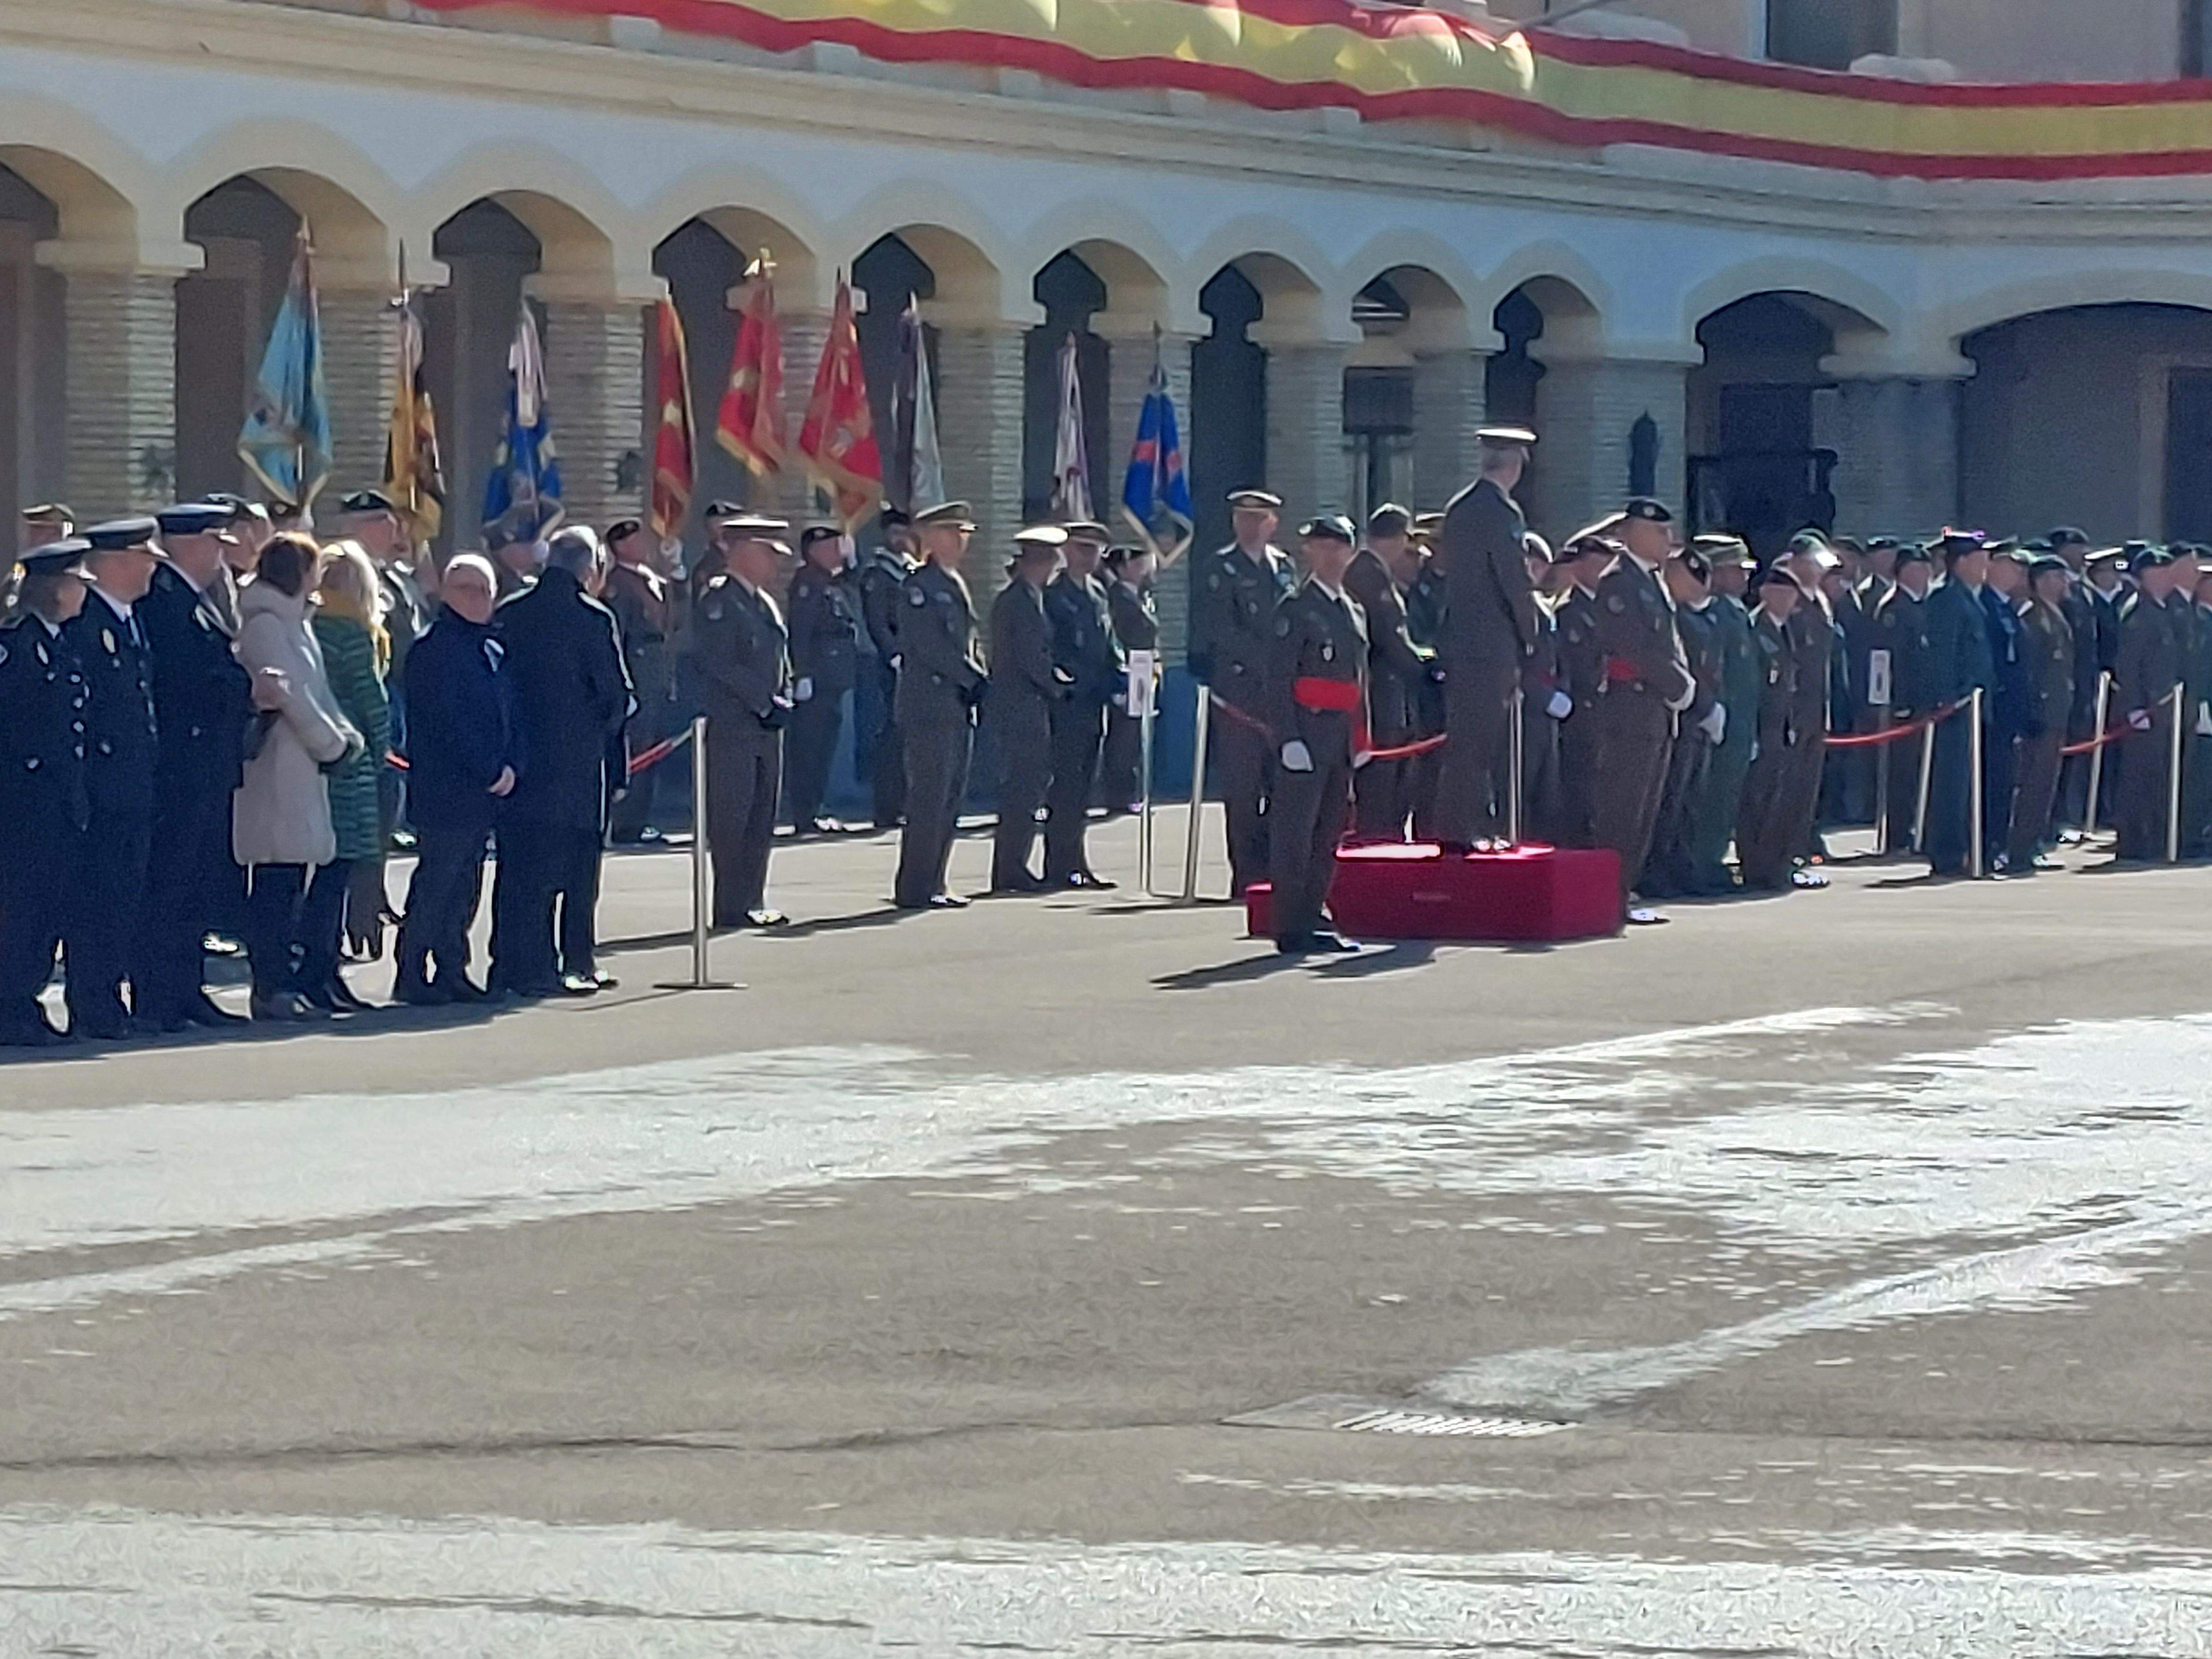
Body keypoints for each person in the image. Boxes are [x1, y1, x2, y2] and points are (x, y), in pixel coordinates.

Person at [130, 503, 257, 1033]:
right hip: (181, 768)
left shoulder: (194, 600)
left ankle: (187, 990)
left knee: (195, 887)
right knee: (169, 887)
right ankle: (160, 996)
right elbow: (186, 680)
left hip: (207, 768)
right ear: (187, 544)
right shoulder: (165, 601)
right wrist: (248, 687)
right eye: (212, 541)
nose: (220, 552)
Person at [493, 526, 634, 994]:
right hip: (576, 766)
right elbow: (615, 698)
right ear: (591, 568)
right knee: (577, 872)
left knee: (520, 872)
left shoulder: (510, 612)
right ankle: (576, 960)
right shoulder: (592, 617)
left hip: (520, 762)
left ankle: (514, 965)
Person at [233, 533, 364, 1022]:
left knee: (292, 880)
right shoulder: (266, 624)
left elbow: (320, 692)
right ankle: (270, 986)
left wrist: (344, 736)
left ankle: (286, 981)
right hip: (278, 771)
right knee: (274, 882)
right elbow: (291, 697)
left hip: (303, 771)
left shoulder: (297, 623)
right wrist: (329, 744)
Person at [394, 554, 515, 1004]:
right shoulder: (433, 650)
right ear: (446, 593)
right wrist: (488, 769)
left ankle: (452, 967)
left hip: (486, 788)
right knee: (436, 883)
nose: (479, 600)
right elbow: (447, 723)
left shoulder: (492, 648)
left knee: (466, 885)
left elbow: (510, 714)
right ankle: (411, 970)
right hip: (447, 787)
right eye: (467, 590)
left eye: (485, 591)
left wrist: (510, 766)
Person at [62, 518, 163, 1038]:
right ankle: (94, 1002)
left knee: (124, 899)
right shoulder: (89, 621)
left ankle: (107, 999)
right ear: (120, 561)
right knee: (99, 902)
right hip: (105, 790)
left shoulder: (127, 619)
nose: (152, 569)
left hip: (133, 785)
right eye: (146, 558)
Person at [0, 539, 92, 1045]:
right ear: (57, 588)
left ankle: (24, 997)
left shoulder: (59, 642)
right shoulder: (18, 644)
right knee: (22, 908)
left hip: (56, 801)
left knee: (46, 909)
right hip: (23, 803)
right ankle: (10, 1002)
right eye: (78, 583)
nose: (83, 594)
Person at [1431, 428, 1540, 852]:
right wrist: (1530, 633)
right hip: (1488, 642)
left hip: (1465, 638)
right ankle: (1460, 829)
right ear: (1514, 465)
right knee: (1477, 741)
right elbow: (1513, 578)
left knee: (1470, 740)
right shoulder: (1500, 512)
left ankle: (1465, 824)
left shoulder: (1461, 508)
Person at [1589, 499, 1696, 921]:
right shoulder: (1619, 582)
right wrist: (1677, 684)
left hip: (1653, 710)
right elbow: (1634, 645)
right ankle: (1608, 898)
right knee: (1622, 809)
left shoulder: (1650, 581)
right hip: (1630, 709)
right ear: (1631, 532)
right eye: (1658, 532)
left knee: (1645, 810)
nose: (1667, 541)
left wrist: (1681, 684)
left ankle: (1623, 893)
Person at [1266, 515, 1367, 955]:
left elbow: (1359, 680)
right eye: (1321, 546)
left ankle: (1314, 913)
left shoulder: (1353, 609)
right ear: (1308, 552)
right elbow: (1278, 679)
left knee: (1329, 832)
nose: (1330, 555)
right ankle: (1291, 923)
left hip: (1340, 737)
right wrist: (1287, 738)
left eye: (1338, 547)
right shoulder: (1295, 609)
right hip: (1306, 732)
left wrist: (1364, 737)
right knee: (1296, 833)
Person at [1188, 488, 1295, 895]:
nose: (1250, 527)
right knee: (1243, 789)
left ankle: (1274, 870)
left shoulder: (1283, 567)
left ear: (1272, 523)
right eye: (1242, 519)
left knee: (1282, 788)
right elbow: (1224, 631)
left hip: (1280, 696)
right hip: (1240, 694)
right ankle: (1246, 876)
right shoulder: (1222, 568)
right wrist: (1269, 662)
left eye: (1258, 519)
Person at [694, 511, 795, 929]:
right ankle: (731, 903)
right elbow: (720, 663)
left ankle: (753, 897)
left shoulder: (763, 602)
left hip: (766, 727)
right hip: (734, 726)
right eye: (768, 553)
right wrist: (762, 701)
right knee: (733, 818)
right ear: (744, 552)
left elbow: (780, 660)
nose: (775, 562)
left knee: (761, 815)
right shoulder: (719, 600)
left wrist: (784, 697)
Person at [893, 501, 988, 910]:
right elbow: (929, 646)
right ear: (933, 538)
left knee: (949, 798)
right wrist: (969, 676)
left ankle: (936, 878)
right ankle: (916, 885)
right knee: (929, 798)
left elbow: (969, 640)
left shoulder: (953, 583)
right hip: (930, 705)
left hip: (954, 705)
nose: (961, 541)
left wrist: (979, 672)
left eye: (963, 534)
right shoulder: (920, 587)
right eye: (953, 533)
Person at [311, 541, 394, 1007]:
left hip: (314, 759)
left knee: (318, 873)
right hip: (352, 763)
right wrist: (381, 753)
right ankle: (324, 969)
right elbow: (372, 703)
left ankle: (318, 965)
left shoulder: (311, 626)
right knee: (339, 872)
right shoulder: (354, 633)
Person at [1344, 504, 1436, 842]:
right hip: (1378, 692)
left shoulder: (1374, 572)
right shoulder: (1369, 573)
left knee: (1396, 783)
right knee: (1380, 788)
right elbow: (1390, 637)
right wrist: (1428, 669)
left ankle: (1386, 841)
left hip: (1391, 692)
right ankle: (1377, 846)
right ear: (1397, 539)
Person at [986, 527, 1067, 895]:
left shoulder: (1031, 598)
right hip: (1019, 703)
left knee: (1031, 785)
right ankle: (1010, 867)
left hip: (1029, 703)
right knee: (1022, 786)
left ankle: (1015, 863)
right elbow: (1029, 657)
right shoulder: (1016, 602)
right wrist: (1059, 686)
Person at [1042, 520, 1120, 888]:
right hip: (1069, 702)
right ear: (1066, 550)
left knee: (1085, 785)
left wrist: (1121, 675)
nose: (1089, 557)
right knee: (1066, 785)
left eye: (1095, 550)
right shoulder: (1053, 595)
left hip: (1095, 702)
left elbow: (1108, 644)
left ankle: (1077, 860)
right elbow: (1053, 650)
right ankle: (1059, 864)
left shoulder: (1097, 592)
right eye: (1082, 548)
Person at [1643, 548, 1723, 899]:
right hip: (1680, 717)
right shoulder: (1675, 618)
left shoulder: (1703, 619)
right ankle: (1658, 871)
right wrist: (1704, 707)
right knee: (1668, 802)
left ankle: (1682, 867)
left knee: (1689, 803)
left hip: (1698, 721)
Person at [1685, 536, 1760, 896]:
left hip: (1741, 719)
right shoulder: (1711, 612)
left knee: (1728, 794)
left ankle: (1713, 859)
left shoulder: (1735, 612)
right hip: (1720, 718)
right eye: (1736, 570)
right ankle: (1702, 864)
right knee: (1710, 795)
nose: (1744, 578)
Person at [1922, 530, 2000, 878]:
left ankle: (1965, 849)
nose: (1985, 566)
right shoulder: (1946, 600)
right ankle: (1948, 853)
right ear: (1962, 562)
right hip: (1955, 707)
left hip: (1973, 703)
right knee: (1951, 784)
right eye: (1980, 559)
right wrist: (1947, 697)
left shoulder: (1972, 598)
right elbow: (1942, 654)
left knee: (1967, 782)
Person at [602, 518, 682, 845]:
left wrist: (679, 578)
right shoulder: (618, 584)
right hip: (638, 672)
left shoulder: (653, 580)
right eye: (635, 540)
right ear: (620, 546)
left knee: (652, 749)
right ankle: (624, 823)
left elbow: (675, 622)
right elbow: (617, 635)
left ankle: (640, 819)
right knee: (635, 750)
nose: (643, 545)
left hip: (658, 674)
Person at [785, 523, 865, 836]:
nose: (839, 553)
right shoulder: (808, 584)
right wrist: (801, 674)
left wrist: (852, 561)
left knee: (824, 748)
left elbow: (853, 587)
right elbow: (801, 632)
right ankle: (805, 814)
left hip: (833, 679)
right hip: (817, 679)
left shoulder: (829, 582)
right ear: (814, 551)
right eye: (833, 547)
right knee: (810, 749)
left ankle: (814, 810)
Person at [1734, 562, 1805, 892]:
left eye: (1793, 593)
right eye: (1782, 592)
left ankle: (1777, 863)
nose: (1789, 599)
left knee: (1780, 800)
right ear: (1765, 593)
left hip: (1782, 728)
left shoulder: (1786, 630)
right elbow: (1753, 685)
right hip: (1762, 728)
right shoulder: (1756, 630)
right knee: (1757, 802)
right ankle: (1757, 867)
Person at [2112, 547, 2186, 863]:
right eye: (2163, 570)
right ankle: (2133, 842)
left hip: (2164, 708)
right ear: (2148, 576)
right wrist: (2134, 707)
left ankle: (2152, 839)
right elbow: (2129, 664)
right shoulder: (2140, 613)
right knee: (2139, 778)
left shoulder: (2162, 610)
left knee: (2158, 778)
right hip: (2145, 711)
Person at [2009, 554, 2076, 873]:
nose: (2063, 585)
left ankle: (2033, 841)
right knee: (2032, 784)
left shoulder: (2056, 616)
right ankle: (2020, 847)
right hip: (2040, 713)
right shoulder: (2033, 617)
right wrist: (2033, 710)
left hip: (2056, 711)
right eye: (2056, 578)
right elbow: (2030, 668)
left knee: (2045, 784)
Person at [1549, 530, 1613, 850]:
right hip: (1581, 712)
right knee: (1579, 790)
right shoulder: (1569, 612)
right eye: (1600, 563)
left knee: (1602, 792)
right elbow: (1570, 664)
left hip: (1607, 712)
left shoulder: (1608, 608)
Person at [856, 508, 918, 830]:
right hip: (888, 666)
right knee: (891, 738)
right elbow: (878, 621)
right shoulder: (879, 574)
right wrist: (894, 655)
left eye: (904, 533)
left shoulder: (911, 570)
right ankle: (887, 807)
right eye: (895, 533)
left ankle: (906, 802)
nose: (900, 540)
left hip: (914, 665)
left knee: (908, 738)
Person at [1870, 542, 1934, 852]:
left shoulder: (1923, 606)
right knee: (1902, 773)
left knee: (1919, 770)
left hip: (1924, 703)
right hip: (1903, 705)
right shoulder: (1894, 609)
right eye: (1916, 569)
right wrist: (1898, 702)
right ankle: (1897, 834)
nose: (1923, 574)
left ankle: (1915, 827)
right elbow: (1888, 660)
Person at [1981, 546, 2034, 868]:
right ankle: (1989, 845)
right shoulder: (1987, 606)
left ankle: (1999, 843)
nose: (2016, 574)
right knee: (1993, 781)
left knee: (2005, 781)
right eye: (2009, 567)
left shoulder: (2006, 608)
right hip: (1993, 709)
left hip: (2009, 708)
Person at [1100, 544, 1159, 813]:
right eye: (1138, 564)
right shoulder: (1119, 597)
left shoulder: (1141, 595)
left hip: (1144, 668)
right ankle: (1119, 795)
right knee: (1125, 735)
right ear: (1123, 568)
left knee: (1137, 734)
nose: (1145, 570)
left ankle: (1132, 790)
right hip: (1130, 669)